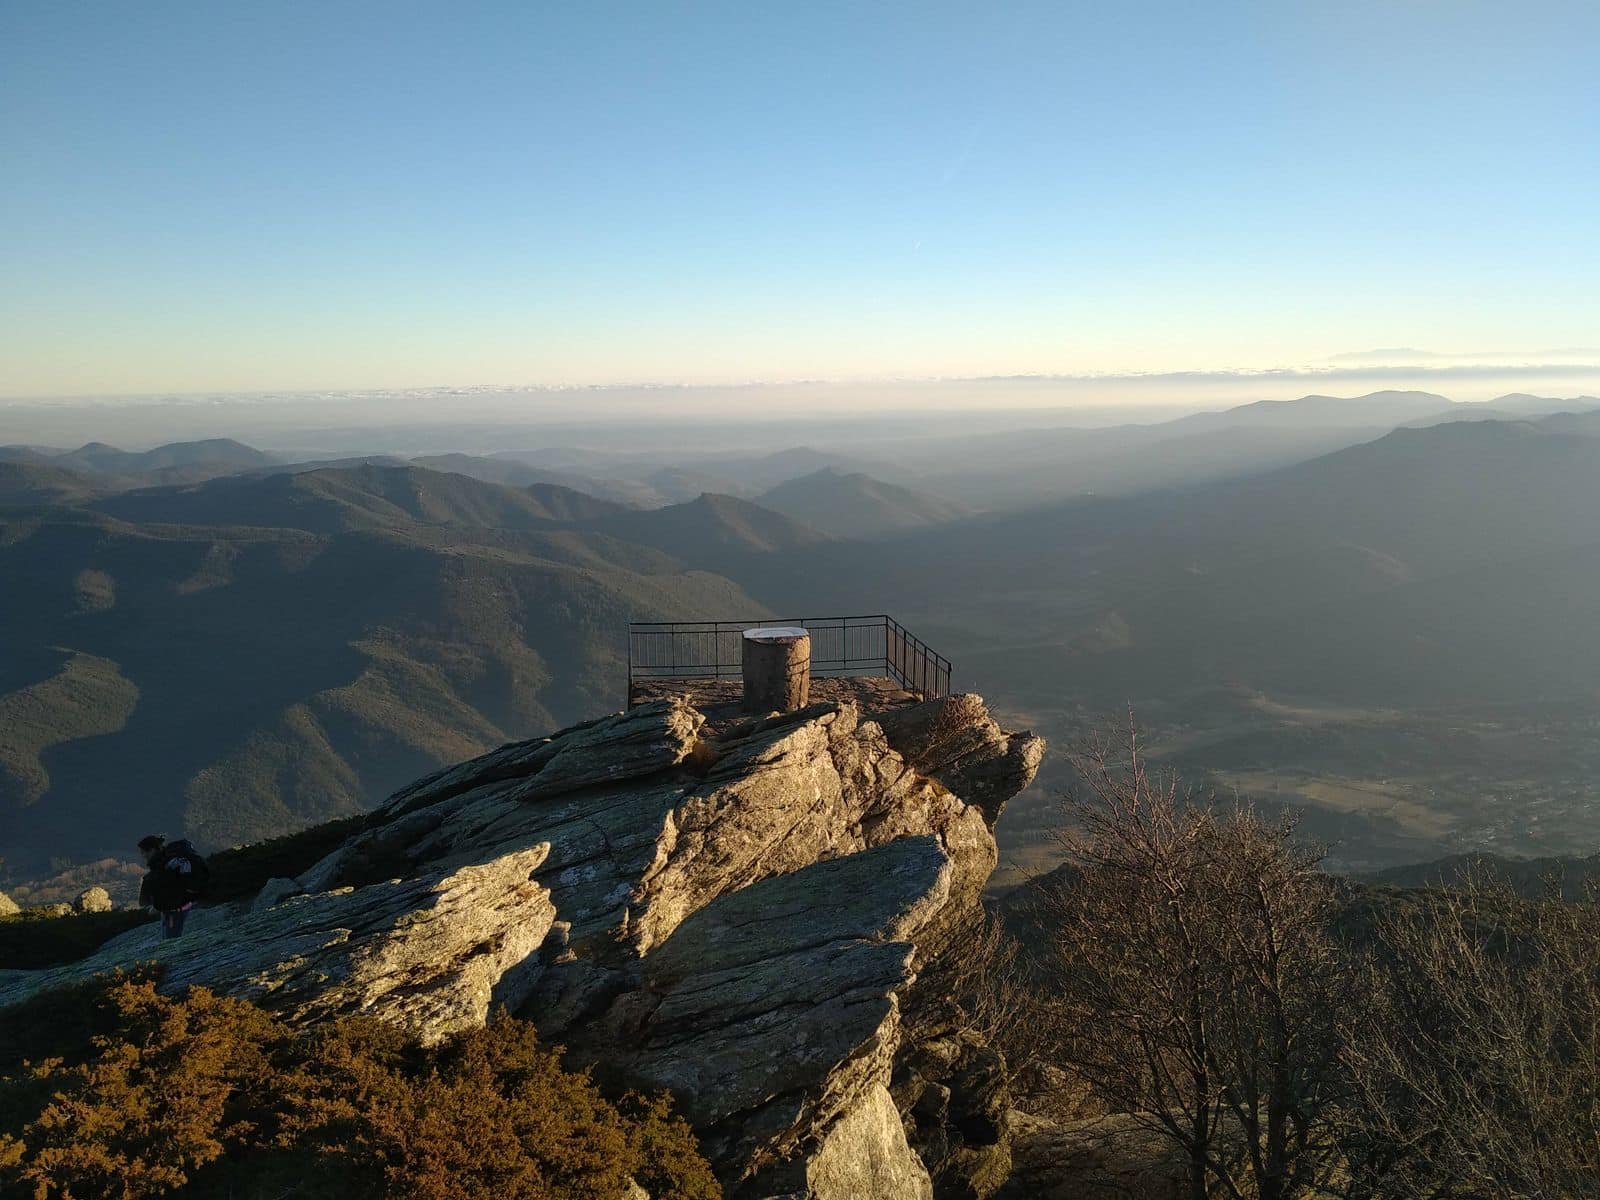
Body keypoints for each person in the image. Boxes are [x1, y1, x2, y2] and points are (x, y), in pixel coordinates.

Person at [137, 834, 209, 938]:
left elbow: (165, 892)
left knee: (171, 941)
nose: (143, 855)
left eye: (143, 852)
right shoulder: (171, 857)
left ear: (152, 850)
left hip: (174, 911)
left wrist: (156, 907)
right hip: (187, 903)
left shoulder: (162, 866)